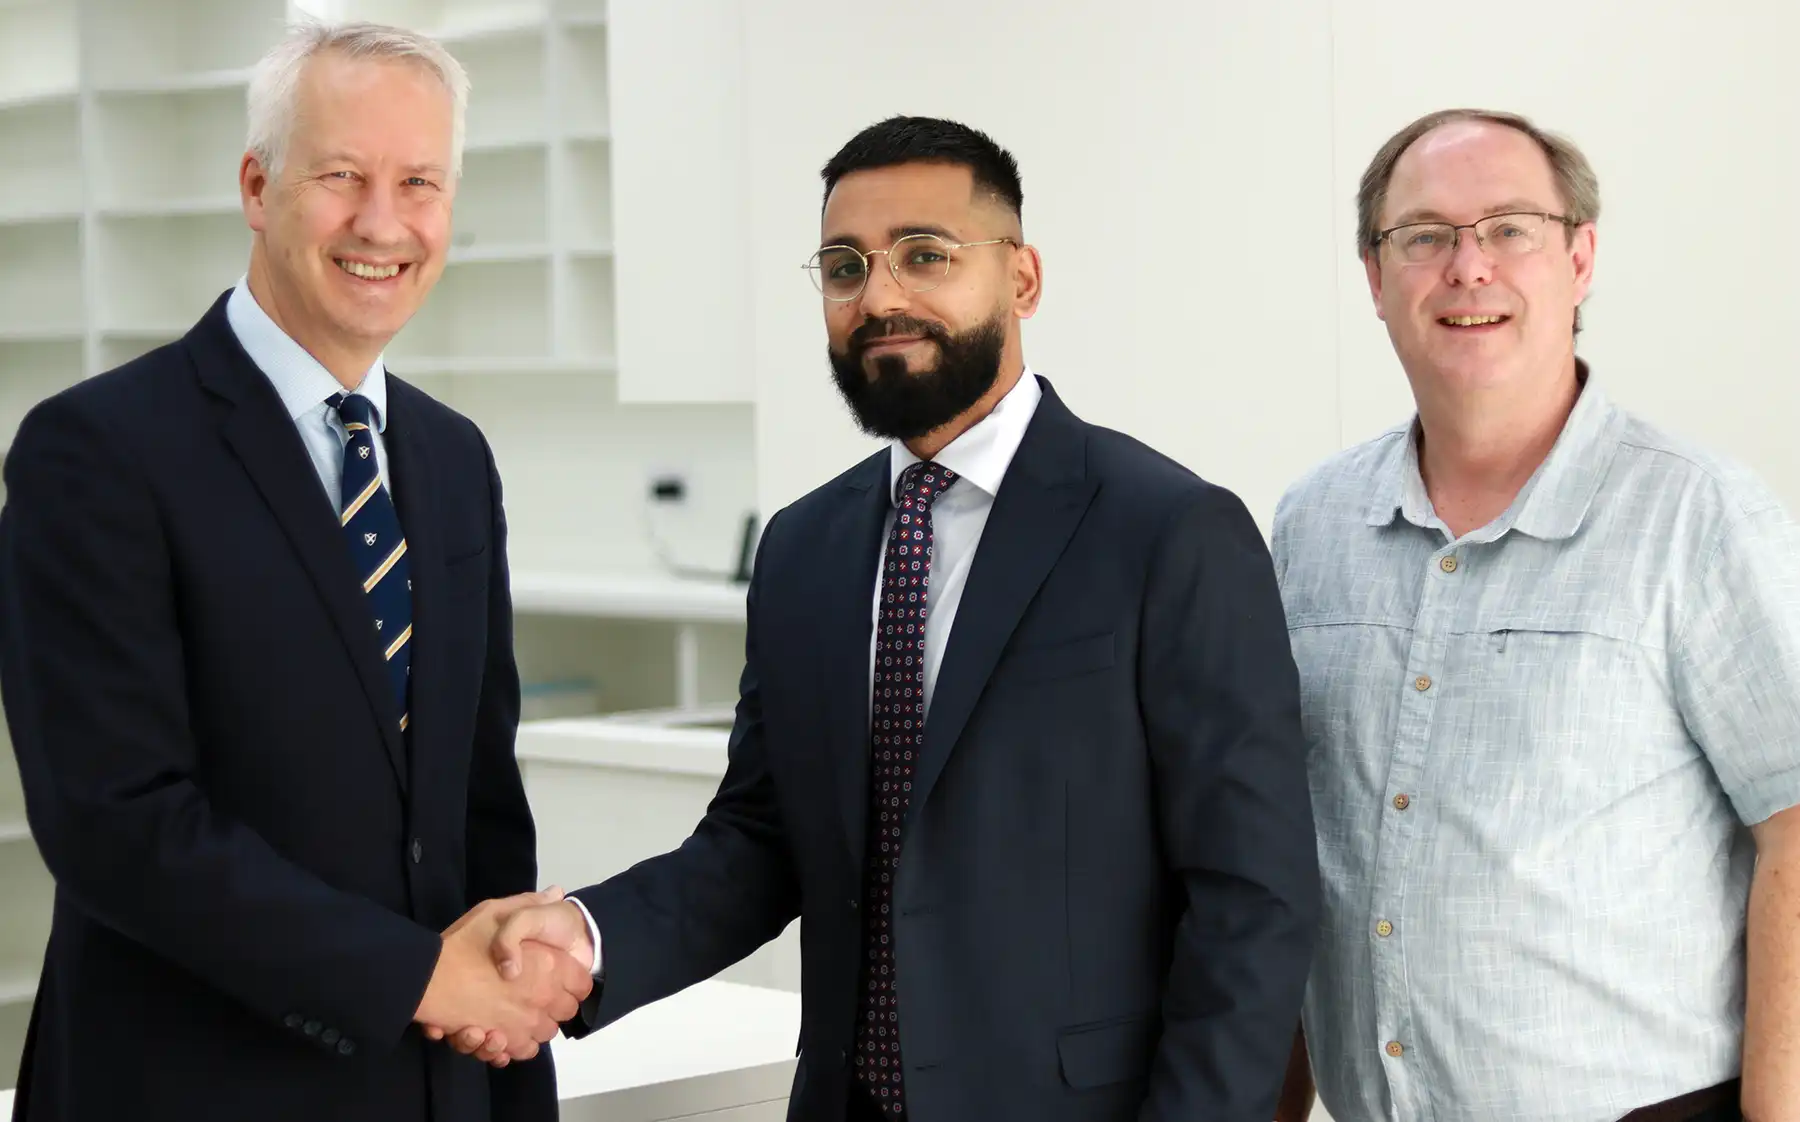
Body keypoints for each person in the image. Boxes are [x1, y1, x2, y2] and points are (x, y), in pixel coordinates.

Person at [445, 115, 1320, 1121]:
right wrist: (587, 941)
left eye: (925, 255)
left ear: (1023, 278)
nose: (881, 296)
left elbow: (1253, 900)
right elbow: (762, 839)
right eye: (844, 266)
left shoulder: (1168, 532)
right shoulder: (804, 547)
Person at [0, 20, 591, 1122]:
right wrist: (413, 977)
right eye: (341, 176)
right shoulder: (96, 450)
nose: (383, 221)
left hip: (434, 1084)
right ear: (258, 185)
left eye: (420, 181)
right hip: (193, 1085)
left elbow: (475, 804)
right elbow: (116, 823)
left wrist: (507, 1009)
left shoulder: (454, 458)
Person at [1270, 108, 1800, 1122]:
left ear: (1581, 258)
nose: (1468, 266)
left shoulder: (1698, 515)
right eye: (1423, 236)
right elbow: (1287, 841)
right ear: (1376, 280)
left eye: (1510, 226)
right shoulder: (1311, 524)